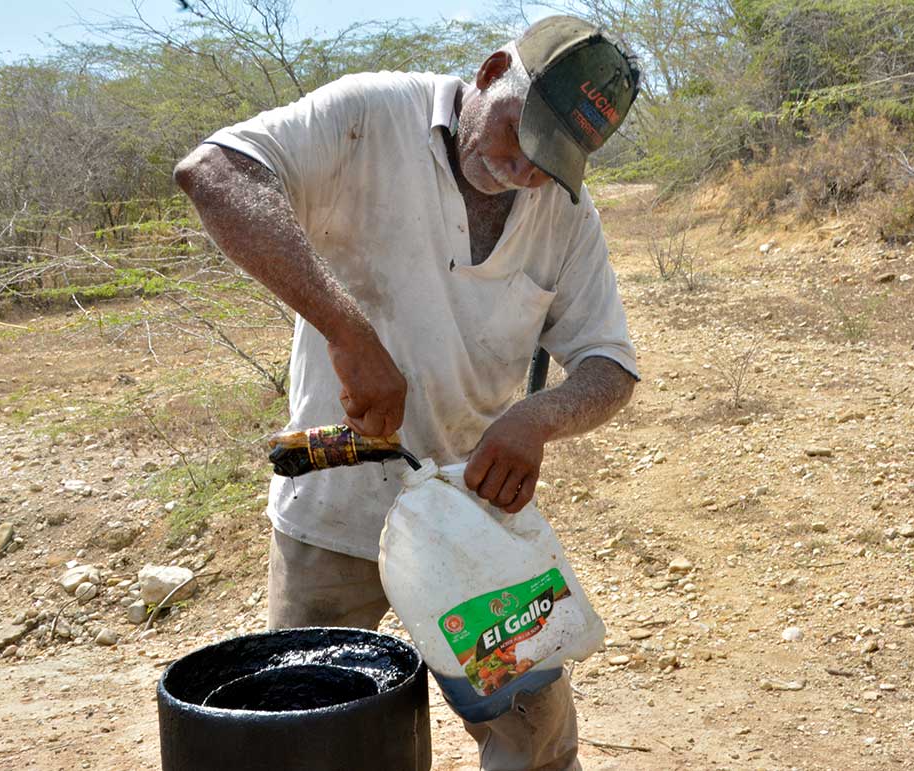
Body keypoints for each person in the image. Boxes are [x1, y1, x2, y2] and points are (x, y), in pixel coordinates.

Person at [174, 14, 640, 771]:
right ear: (492, 73)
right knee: (316, 737)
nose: (526, 165)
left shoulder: (564, 216)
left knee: (534, 738)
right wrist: (347, 331)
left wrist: (536, 417)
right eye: (523, 131)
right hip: (333, 513)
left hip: (470, 522)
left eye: (553, 157)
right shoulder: (371, 116)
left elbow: (609, 363)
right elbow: (215, 173)